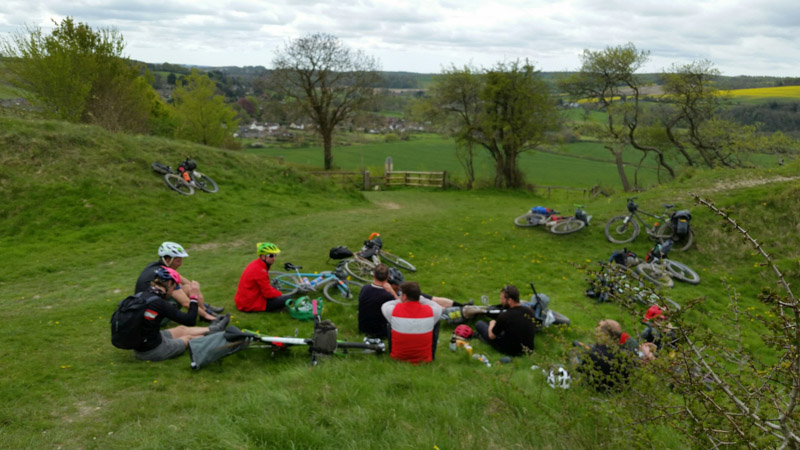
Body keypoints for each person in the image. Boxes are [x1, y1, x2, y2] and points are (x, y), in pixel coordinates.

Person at [132, 267, 230, 362]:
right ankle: (222, 336)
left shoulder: (142, 295)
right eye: (174, 288)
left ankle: (214, 329)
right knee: (188, 338)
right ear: (169, 283)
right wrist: (193, 297)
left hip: (144, 342)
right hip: (152, 351)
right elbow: (190, 320)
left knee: (181, 329)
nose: (172, 293)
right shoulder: (160, 303)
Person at [135, 241, 221, 322]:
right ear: (168, 260)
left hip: (143, 311)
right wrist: (207, 316)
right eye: (178, 261)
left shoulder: (155, 267)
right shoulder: (166, 277)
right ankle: (206, 314)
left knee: (187, 287)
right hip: (152, 318)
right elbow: (186, 303)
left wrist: (198, 296)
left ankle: (205, 308)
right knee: (186, 290)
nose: (181, 264)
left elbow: (188, 283)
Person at [381, 281, 443, 363]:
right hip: (424, 359)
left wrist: (400, 300)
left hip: (398, 358)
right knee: (435, 321)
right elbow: (436, 305)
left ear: (404, 296)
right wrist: (420, 298)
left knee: (390, 323)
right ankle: (431, 354)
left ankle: (394, 350)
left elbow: (386, 304)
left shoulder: (393, 310)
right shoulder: (432, 311)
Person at [474, 285, 536, 356]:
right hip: (528, 350)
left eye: (502, 299)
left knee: (480, 324)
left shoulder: (505, 315)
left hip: (509, 350)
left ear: (510, 300)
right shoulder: (530, 311)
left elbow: (492, 336)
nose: (500, 301)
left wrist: (492, 323)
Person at [576, 319, 634, 392]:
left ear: (605, 336)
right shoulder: (627, 356)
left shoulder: (592, 354)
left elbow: (581, 374)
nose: (596, 335)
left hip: (597, 391)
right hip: (619, 392)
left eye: (597, 332)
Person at [234, 242, 294, 312]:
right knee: (288, 299)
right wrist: (279, 294)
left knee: (276, 294)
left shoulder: (255, 264)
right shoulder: (260, 270)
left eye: (275, 255)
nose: (274, 258)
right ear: (263, 256)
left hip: (243, 300)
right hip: (250, 304)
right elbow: (268, 293)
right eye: (271, 255)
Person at [358, 264, 398, 338]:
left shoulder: (364, 288)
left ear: (374, 276)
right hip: (381, 332)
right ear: (388, 277)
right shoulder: (388, 296)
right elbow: (401, 308)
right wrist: (393, 292)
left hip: (363, 328)